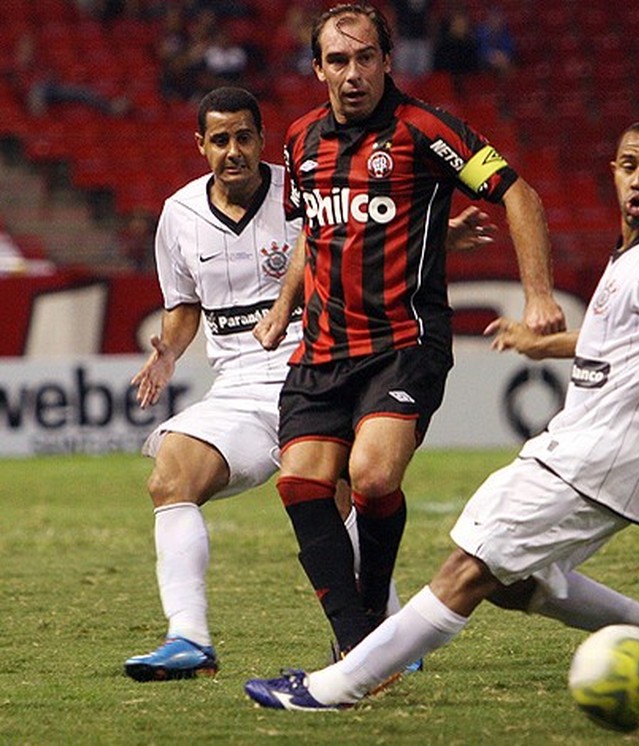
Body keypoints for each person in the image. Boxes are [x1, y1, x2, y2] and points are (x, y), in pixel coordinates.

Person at [243, 118, 639, 711]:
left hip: (595, 458)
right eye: (629, 165)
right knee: (515, 583)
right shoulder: (636, 253)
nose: (638, 181)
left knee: (467, 571)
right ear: (613, 171)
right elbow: (620, 340)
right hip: (579, 447)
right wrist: (540, 344)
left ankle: (336, 687)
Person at [123, 85, 495, 681]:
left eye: (244, 137)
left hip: (319, 361)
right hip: (239, 384)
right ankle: (188, 638)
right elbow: (184, 304)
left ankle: (382, 635)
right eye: (220, 140)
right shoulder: (179, 215)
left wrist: (441, 236)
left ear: (261, 140)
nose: (233, 151)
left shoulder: (304, 183)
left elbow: (368, 235)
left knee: (342, 488)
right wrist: (169, 350)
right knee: (170, 477)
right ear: (201, 146)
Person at [252, 3, 565, 660]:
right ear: (317, 69)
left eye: (366, 57)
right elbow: (316, 234)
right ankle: (360, 644)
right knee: (301, 484)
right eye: (338, 60)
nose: (354, 73)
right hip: (322, 349)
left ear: (386, 61)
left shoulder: (424, 128)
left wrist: (538, 295)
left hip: (403, 343)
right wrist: (284, 308)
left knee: (368, 477)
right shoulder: (300, 140)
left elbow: (516, 193)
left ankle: (362, 639)